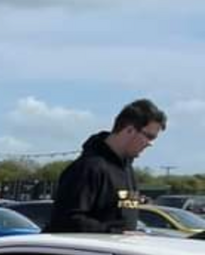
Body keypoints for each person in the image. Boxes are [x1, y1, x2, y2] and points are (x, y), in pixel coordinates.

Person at [49, 99, 167, 233]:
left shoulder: (127, 169)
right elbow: (65, 221)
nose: (150, 144)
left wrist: (129, 234)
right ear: (129, 130)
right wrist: (114, 232)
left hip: (121, 246)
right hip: (91, 247)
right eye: (149, 137)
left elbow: (123, 219)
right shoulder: (88, 168)